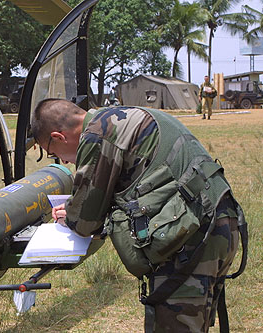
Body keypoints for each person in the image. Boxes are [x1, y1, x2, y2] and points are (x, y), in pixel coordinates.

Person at [31, 98, 247, 332]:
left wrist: (69, 215)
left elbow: (86, 221)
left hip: (193, 239)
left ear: (58, 137)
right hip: (220, 223)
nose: (63, 161)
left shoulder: (98, 134)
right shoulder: (126, 114)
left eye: (54, 153)